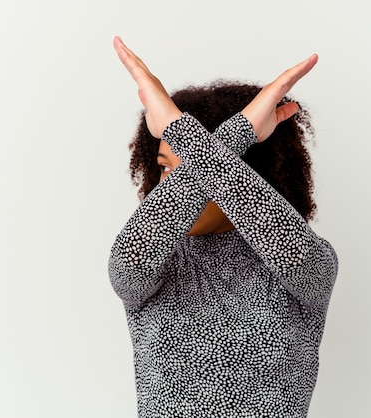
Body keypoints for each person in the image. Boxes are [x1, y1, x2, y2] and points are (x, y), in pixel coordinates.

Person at [109, 36, 338, 417]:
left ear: (250, 177)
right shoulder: (154, 260)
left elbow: (297, 257)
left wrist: (178, 129)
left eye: (199, 168)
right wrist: (241, 131)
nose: (175, 185)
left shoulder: (303, 261)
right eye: (167, 167)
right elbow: (129, 263)